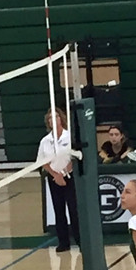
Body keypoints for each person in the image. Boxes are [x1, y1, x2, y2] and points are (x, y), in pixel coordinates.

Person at [37, 107, 80, 253]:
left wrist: (63, 173)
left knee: (74, 209)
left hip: (70, 176)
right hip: (54, 178)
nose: (53, 120)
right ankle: (63, 242)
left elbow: (74, 157)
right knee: (58, 210)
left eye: (55, 117)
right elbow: (42, 161)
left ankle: (80, 241)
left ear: (61, 118)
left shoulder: (69, 137)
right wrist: (55, 175)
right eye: (50, 118)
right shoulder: (45, 141)